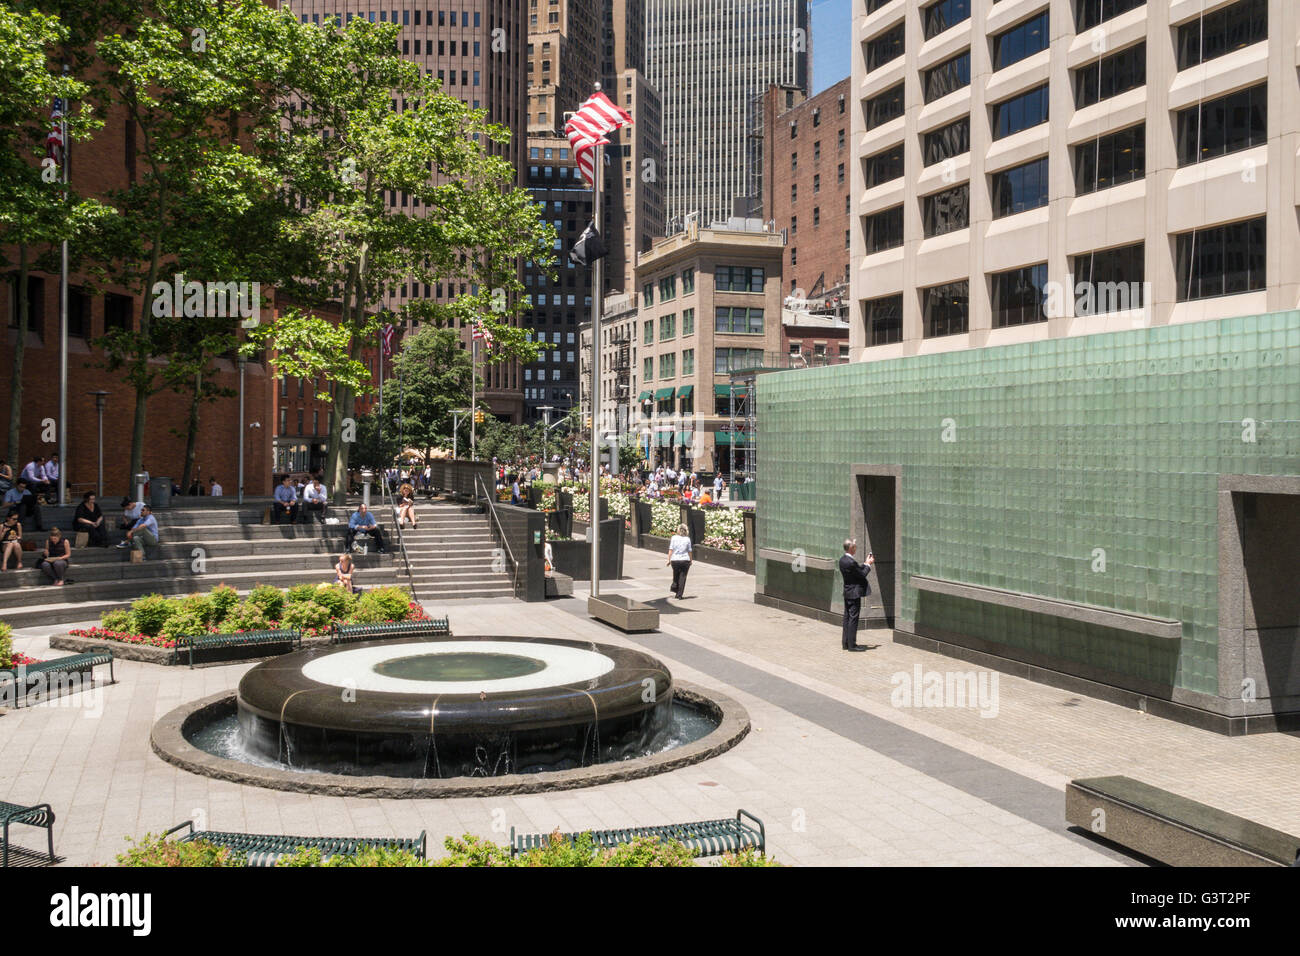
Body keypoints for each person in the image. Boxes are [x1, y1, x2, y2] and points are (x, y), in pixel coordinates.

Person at [839, 538, 875, 652]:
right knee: (853, 619)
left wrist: (865, 563)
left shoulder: (843, 560)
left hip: (847, 592)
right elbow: (862, 574)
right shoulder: (851, 562)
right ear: (850, 548)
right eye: (854, 546)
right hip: (854, 594)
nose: (856, 548)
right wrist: (868, 565)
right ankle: (852, 645)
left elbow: (857, 571)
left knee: (847, 617)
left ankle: (845, 643)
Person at [667, 522, 693, 599]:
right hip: (685, 560)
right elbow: (689, 551)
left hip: (675, 560)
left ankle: (674, 586)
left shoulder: (674, 538)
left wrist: (669, 560)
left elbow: (671, 549)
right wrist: (691, 560)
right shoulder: (687, 539)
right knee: (683, 577)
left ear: (678, 530)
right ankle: (679, 595)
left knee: (676, 574)